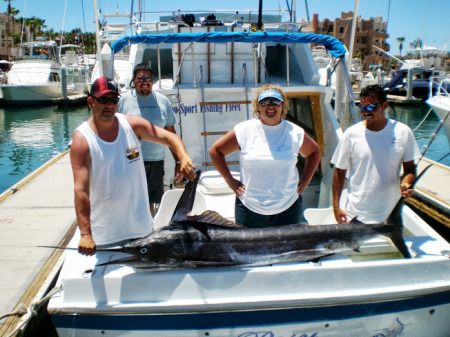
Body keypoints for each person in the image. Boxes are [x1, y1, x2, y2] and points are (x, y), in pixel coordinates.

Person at [71, 76, 196, 256]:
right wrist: (85, 234)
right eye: (103, 100)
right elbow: (80, 191)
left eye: (113, 100)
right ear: (91, 102)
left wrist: (182, 157)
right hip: (104, 236)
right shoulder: (82, 139)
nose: (109, 105)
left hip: (141, 230)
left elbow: (171, 138)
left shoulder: (132, 125)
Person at [209, 84, 321, 227]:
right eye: (265, 102)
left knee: (286, 250)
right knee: (251, 249)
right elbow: (216, 151)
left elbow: (314, 152)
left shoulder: (294, 132)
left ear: (283, 105)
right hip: (250, 207)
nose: (270, 106)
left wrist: (306, 179)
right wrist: (230, 181)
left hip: (288, 206)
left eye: (275, 102)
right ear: (258, 106)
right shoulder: (244, 130)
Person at [331, 84, 421, 224]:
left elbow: (410, 169)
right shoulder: (351, 134)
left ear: (385, 105)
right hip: (355, 217)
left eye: (371, 107)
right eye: (362, 107)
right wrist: (336, 207)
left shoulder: (403, 132)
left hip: (390, 217)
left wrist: (406, 183)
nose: (366, 111)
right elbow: (339, 171)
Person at [118, 63, 179, 216]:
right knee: (132, 199)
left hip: (156, 159)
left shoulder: (163, 101)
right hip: (130, 158)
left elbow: (171, 135)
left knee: (151, 200)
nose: (144, 81)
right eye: (140, 78)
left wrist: (179, 161)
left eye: (148, 78)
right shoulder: (123, 101)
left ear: (152, 80)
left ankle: (148, 229)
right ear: (133, 79)